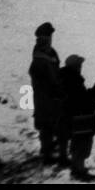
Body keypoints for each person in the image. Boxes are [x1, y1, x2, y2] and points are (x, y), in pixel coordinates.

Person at [60, 54, 95, 182]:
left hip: (73, 119)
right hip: (80, 121)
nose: (81, 67)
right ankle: (78, 171)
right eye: (79, 65)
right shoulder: (73, 82)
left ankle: (77, 168)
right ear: (75, 67)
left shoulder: (67, 79)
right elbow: (86, 103)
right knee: (81, 147)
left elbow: (83, 98)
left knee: (78, 147)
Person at [28, 22, 65, 166]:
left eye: (50, 36)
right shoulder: (40, 56)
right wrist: (55, 87)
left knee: (54, 119)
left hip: (52, 93)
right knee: (46, 122)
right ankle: (47, 153)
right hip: (44, 95)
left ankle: (49, 146)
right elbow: (42, 76)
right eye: (47, 36)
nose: (50, 38)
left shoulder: (50, 51)